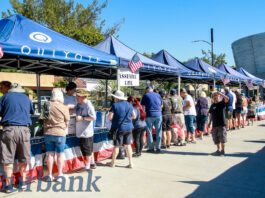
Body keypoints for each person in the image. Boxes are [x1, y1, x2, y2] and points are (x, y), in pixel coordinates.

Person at [0, 83, 34, 192]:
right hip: (24, 130)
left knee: (8, 159)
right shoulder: (26, 98)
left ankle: (9, 186)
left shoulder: (4, 97)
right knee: (23, 158)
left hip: (9, 129)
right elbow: (32, 112)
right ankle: (22, 183)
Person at [43, 88, 70, 181]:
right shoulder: (64, 107)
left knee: (49, 154)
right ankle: (59, 175)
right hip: (60, 133)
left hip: (48, 133)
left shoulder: (46, 105)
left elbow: (43, 118)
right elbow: (67, 122)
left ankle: (49, 175)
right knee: (60, 154)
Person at [107, 90, 136, 168]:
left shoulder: (114, 105)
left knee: (116, 146)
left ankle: (113, 163)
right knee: (128, 145)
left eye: (114, 97)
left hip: (118, 128)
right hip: (129, 127)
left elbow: (110, 117)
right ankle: (131, 163)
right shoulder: (129, 105)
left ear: (116, 98)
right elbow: (134, 116)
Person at [75, 89, 97, 170]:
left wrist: (82, 118)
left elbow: (93, 117)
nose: (76, 97)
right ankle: (92, 163)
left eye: (78, 96)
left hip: (86, 132)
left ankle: (87, 166)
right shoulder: (79, 104)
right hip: (82, 131)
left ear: (83, 96)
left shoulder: (88, 105)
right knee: (89, 148)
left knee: (87, 149)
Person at [141, 86, 163, 153]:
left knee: (149, 131)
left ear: (147, 90)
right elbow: (161, 105)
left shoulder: (146, 95)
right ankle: (158, 147)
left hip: (149, 114)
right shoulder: (158, 95)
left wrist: (144, 113)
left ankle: (151, 148)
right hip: (158, 114)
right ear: (152, 90)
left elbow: (143, 107)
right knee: (158, 131)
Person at [208, 91, 229, 156]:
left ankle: (223, 151)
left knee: (222, 138)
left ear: (219, 97)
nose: (215, 97)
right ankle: (218, 150)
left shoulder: (222, 103)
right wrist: (209, 122)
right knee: (215, 138)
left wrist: (220, 93)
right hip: (214, 124)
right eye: (214, 96)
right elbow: (211, 114)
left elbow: (227, 98)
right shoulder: (212, 105)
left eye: (216, 96)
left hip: (221, 124)